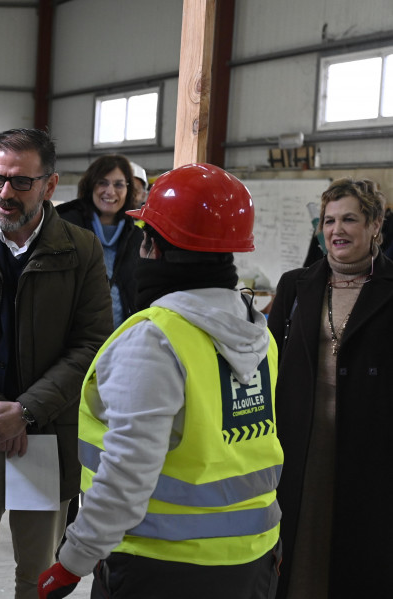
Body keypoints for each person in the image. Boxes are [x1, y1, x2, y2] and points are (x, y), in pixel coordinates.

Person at [39, 163, 283, 599]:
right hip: (253, 558)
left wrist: (74, 559)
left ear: (153, 247)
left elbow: (126, 472)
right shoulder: (257, 332)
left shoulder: (155, 339)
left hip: (163, 566)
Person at [0, 127, 112, 599]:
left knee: (37, 574)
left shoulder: (81, 252)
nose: (4, 193)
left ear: (50, 185)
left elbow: (92, 344)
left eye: (19, 182)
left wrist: (26, 410)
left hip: (43, 436)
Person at [266, 178, 393, 599]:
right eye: (329, 220)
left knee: (360, 554)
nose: (336, 230)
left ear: (376, 224)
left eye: (350, 219)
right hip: (301, 441)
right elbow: (269, 361)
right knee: (299, 548)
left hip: (372, 446)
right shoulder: (295, 285)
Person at [57, 154, 144, 329]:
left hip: (122, 339)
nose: (110, 191)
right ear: (90, 186)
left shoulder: (136, 237)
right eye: (102, 183)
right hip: (75, 338)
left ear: (128, 190)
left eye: (119, 184)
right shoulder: (64, 227)